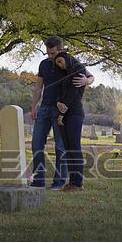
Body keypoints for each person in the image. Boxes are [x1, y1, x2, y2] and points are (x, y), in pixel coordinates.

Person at [30, 36, 94, 190]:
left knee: (61, 148)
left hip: (62, 111)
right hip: (45, 108)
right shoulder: (44, 64)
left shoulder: (67, 62)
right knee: (36, 144)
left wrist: (87, 81)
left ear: (61, 49)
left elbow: (90, 76)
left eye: (53, 53)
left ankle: (59, 182)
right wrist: (34, 106)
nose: (51, 57)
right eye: (48, 54)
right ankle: (38, 181)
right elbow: (39, 87)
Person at [53, 51, 93, 192]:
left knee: (75, 148)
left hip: (74, 113)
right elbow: (61, 93)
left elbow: (73, 94)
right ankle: (72, 182)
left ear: (67, 58)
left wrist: (62, 113)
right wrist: (58, 102)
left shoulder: (78, 69)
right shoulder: (65, 73)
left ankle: (78, 183)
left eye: (60, 61)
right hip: (64, 113)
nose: (59, 65)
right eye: (57, 63)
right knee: (68, 149)